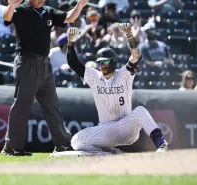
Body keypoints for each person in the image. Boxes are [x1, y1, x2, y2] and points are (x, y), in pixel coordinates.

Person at [1, 0, 89, 156]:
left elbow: (68, 18)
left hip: (45, 64)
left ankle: (62, 143)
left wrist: (80, 5)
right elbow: (7, 18)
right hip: (27, 62)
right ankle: (12, 147)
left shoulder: (48, 11)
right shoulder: (21, 10)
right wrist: (12, 5)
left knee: (52, 105)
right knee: (21, 106)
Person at [66, 24, 169, 154]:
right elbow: (73, 63)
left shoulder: (124, 74)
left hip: (126, 127)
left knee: (140, 111)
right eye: (100, 62)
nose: (102, 65)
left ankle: (161, 144)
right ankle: (109, 152)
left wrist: (129, 35)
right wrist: (71, 42)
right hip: (106, 130)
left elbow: (136, 56)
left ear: (113, 62)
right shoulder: (94, 76)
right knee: (76, 141)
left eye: (105, 62)